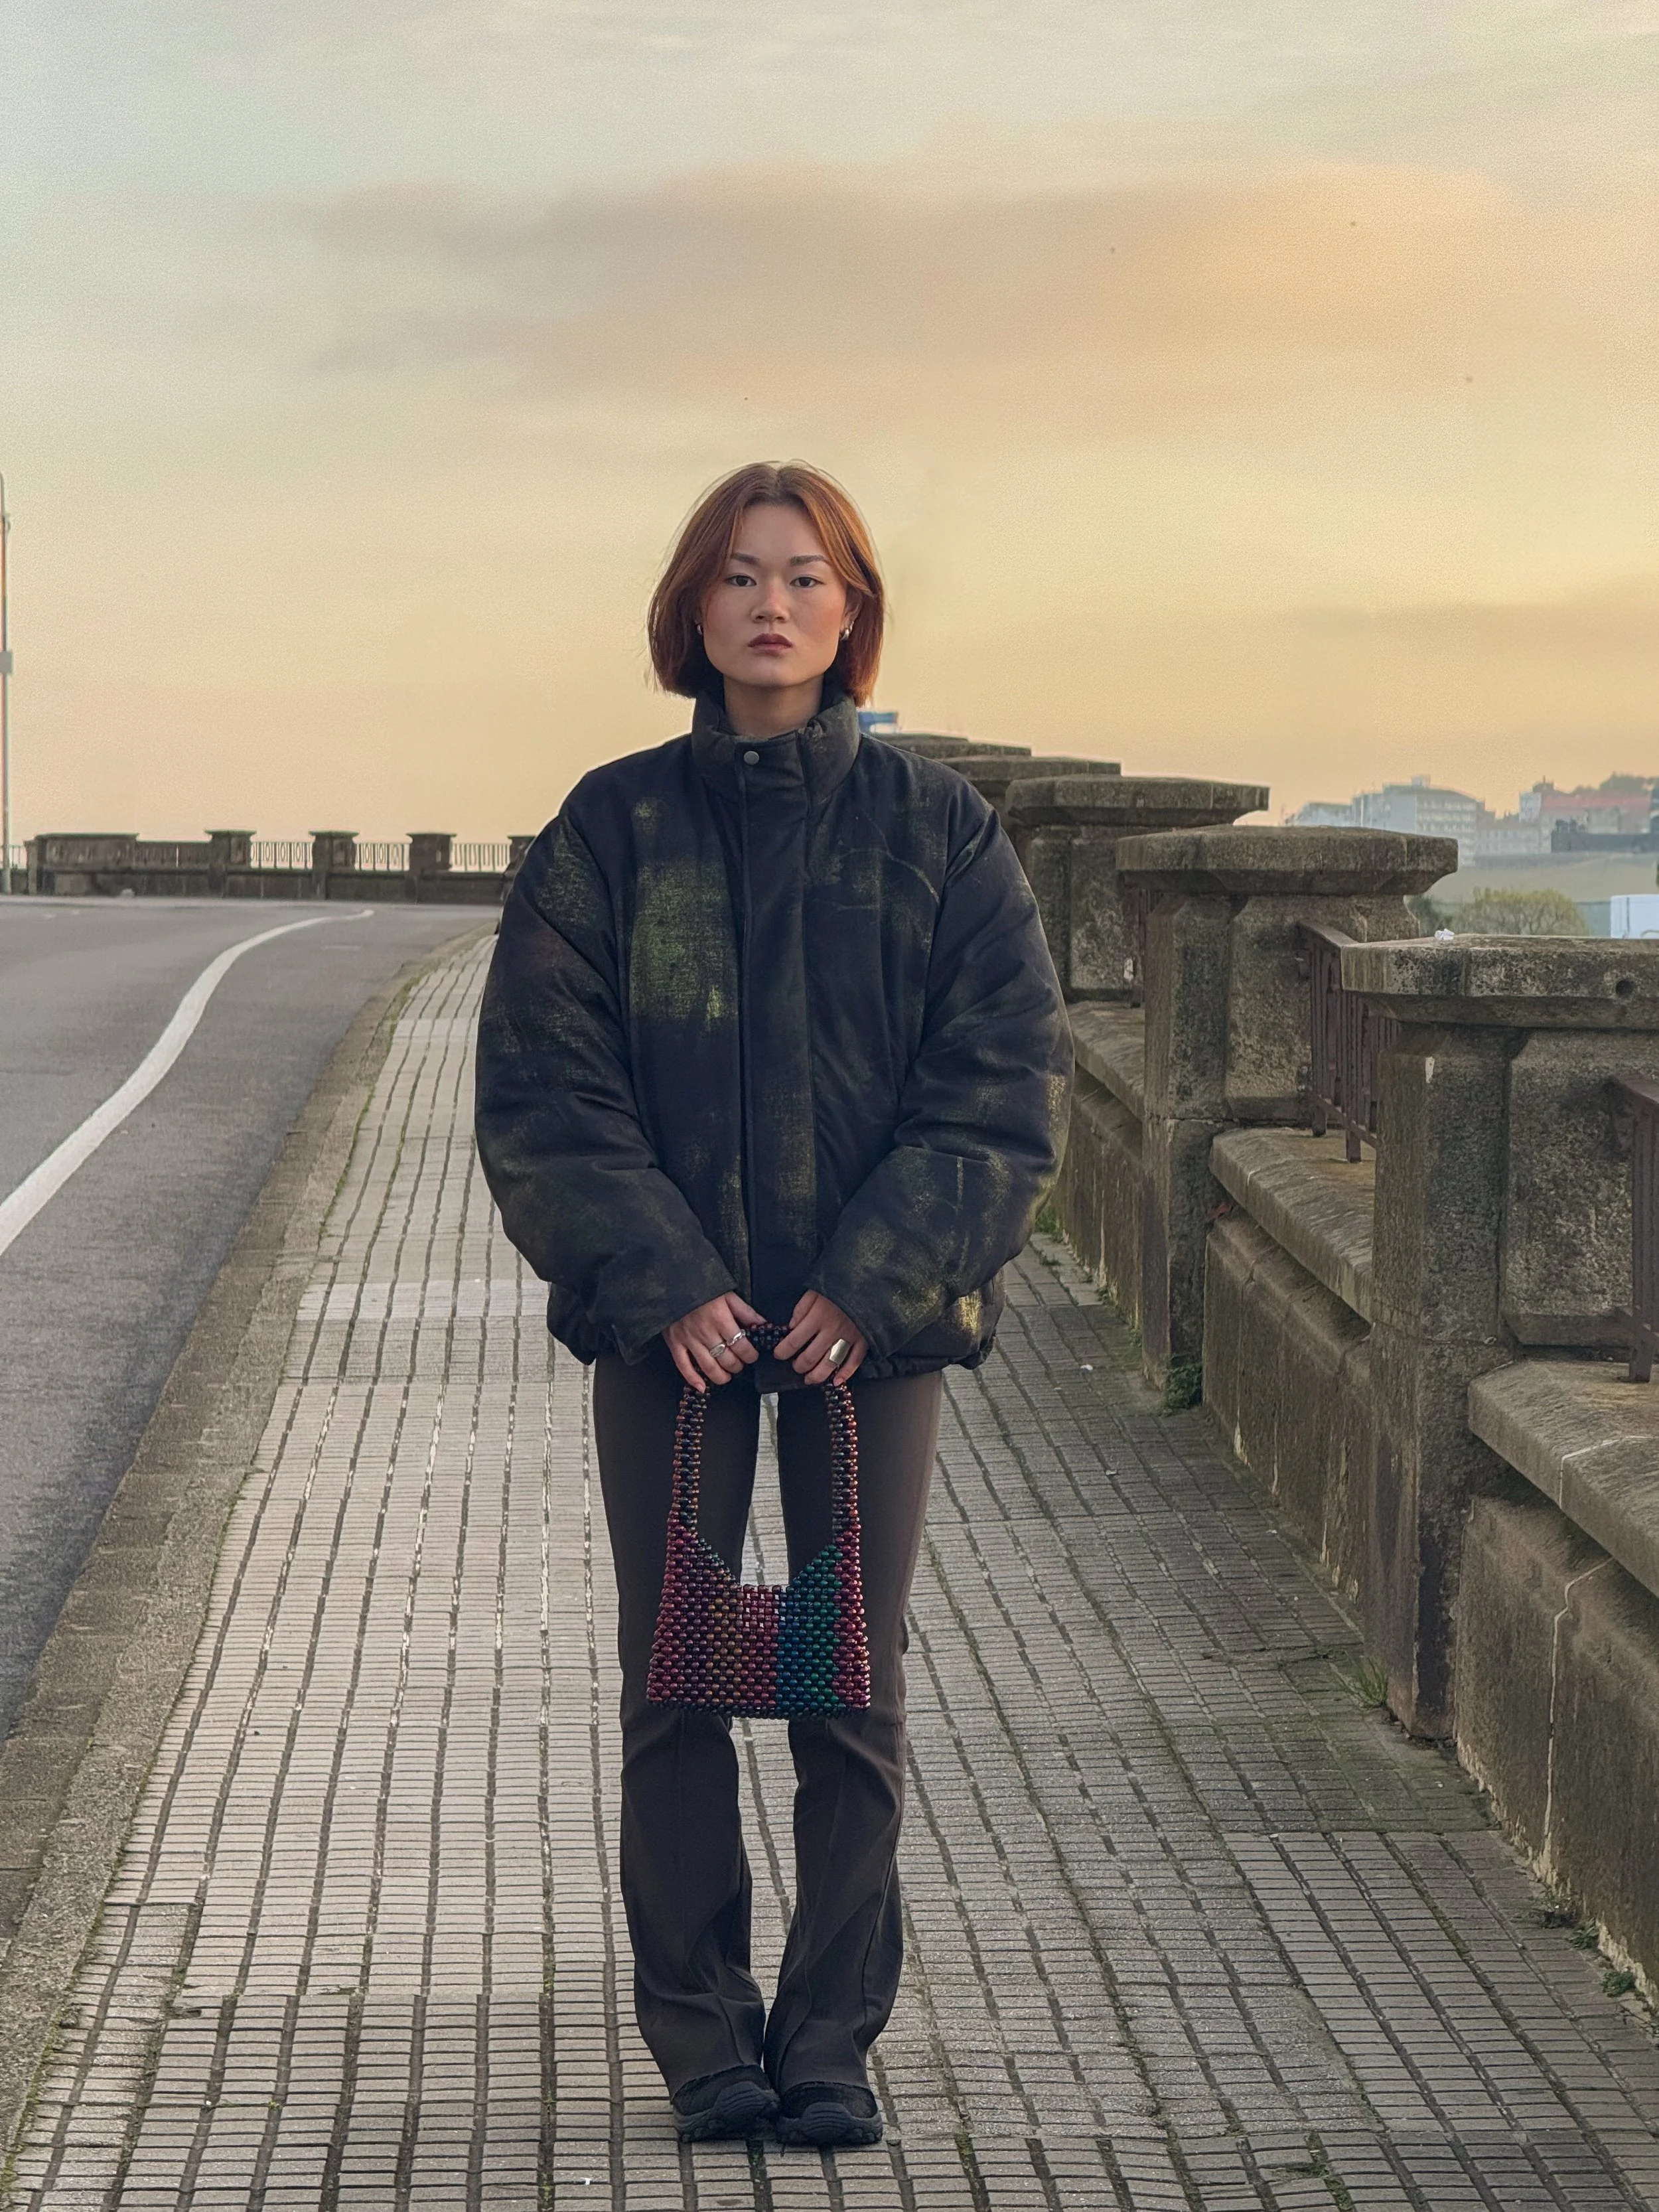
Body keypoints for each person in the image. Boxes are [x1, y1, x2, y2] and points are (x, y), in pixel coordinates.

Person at [474, 461, 1071, 2148]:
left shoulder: (938, 834)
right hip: (675, 1337)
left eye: (805, 578)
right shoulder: (612, 828)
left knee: (843, 1679)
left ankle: (828, 2035)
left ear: (851, 613)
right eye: (740, 577)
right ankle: (699, 2033)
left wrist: (869, 1287)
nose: (772, 606)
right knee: (674, 1676)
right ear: (692, 609)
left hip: (860, 1342)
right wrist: (661, 1280)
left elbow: (1000, 1086)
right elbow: (543, 1085)